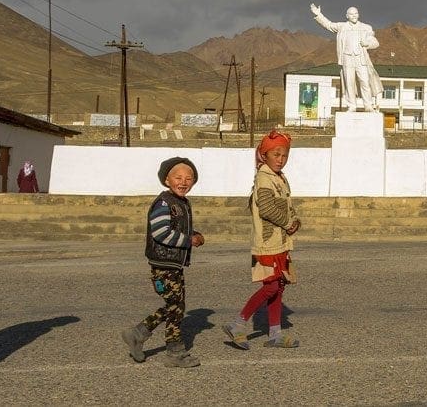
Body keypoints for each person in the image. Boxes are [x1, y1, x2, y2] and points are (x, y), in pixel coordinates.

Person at [121, 157, 205, 367]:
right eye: (178, 177)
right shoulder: (164, 202)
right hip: (163, 265)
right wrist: (188, 240)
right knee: (176, 307)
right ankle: (174, 352)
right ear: (166, 180)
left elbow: (176, 229)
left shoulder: (181, 203)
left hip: (173, 264)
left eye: (189, 178)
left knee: (174, 305)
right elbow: (161, 233)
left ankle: (138, 333)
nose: (184, 182)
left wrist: (193, 234)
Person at [222, 129, 301, 349]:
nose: (281, 159)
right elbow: (266, 209)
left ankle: (275, 332)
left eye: (284, 155)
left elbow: (286, 206)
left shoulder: (279, 178)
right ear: (264, 155)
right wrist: (287, 223)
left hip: (280, 241)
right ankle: (238, 323)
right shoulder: (264, 178)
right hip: (268, 243)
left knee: (279, 285)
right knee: (270, 287)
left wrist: (295, 221)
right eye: (276, 155)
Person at [310, 3, 383, 111]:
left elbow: (375, 42)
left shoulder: (366, 27)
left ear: (358, 15)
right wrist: (318, 15)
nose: (354, 16)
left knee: (365, 82)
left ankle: (368, 105)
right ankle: (351, 106)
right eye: (351, 14)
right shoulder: (342, 26)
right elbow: (329, 24)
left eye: (356, 13)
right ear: (347, 16)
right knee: (349, 83)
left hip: (361, 59)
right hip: (347, 58)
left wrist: (367, 43)